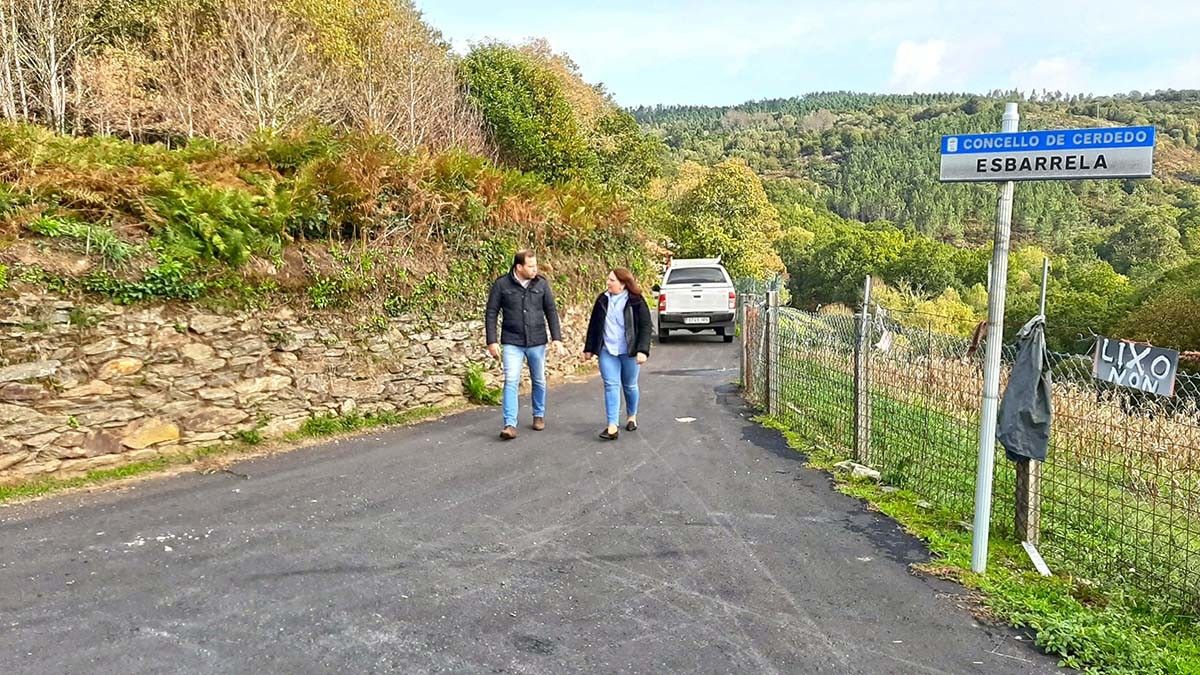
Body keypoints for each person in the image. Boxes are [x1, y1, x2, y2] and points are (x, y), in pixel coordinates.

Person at [485, 250, 564, 440]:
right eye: (530, 266)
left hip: (537, 340)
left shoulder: (542, 284)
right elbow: (491, 312)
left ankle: (538, 415)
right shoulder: (502, 284)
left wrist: (557, 338)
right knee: (511, 380)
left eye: (535, 265)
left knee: (539, 380)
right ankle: (510, 424)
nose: (534, 269)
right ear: (519, 267)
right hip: (512, 341)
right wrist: (492, 341)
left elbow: (551, 311)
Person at [583, 268, 653, 440]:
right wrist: (589, 348)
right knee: (611, 385)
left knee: (629, 385)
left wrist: (642, 350)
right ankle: (612, 425)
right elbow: (594, 325)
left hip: (629, 351)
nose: (608, 283)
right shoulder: (602, 300)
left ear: (623, 284)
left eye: (612, 280)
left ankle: (631, 416)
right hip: (607, 350)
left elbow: (645, 327)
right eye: (608, 279)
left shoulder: (636, 301)